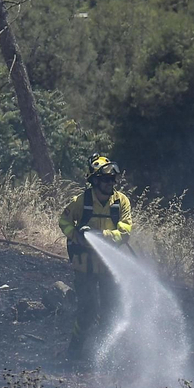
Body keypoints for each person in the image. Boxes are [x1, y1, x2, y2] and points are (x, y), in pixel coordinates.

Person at [57, 155, 132, 361]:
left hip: (110, 267)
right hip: (85, 267)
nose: (110, 183)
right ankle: (76, 347)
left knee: (110, 311)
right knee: (88, 311)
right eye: (105, 180)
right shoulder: (80, 202)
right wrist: (76, 235)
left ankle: (101, 352)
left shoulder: (121, 202)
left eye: (111, 180)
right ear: (94, 181)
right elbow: (63, 221)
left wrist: (103, 237)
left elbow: (125, 230)